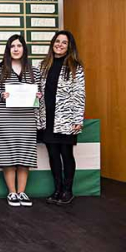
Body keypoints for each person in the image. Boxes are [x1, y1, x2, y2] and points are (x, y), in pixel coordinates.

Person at [0, 35, 41, 207]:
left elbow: (39, 94)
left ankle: (22, 192)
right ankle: (12, 193)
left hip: (26, 119)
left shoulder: (34, 71)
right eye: (12, 46)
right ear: (8, 49)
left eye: (19, 45)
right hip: (5, 119)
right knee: (9, 156)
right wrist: (2, 95)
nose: (16, 49)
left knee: (25, 156)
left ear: (24, 49)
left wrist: (38, 96)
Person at [39, 30, 85, 205]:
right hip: (48, 119)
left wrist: (77, 120)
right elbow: (41, 91)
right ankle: (57, 189)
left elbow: (80, 94)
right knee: (52, 154)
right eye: (57, 41)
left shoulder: (75, 66)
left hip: (66, 119)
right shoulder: (44, 65)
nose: (59, 44)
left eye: (64, 42)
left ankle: (68, 190)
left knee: (66, 154)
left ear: (69, 46)